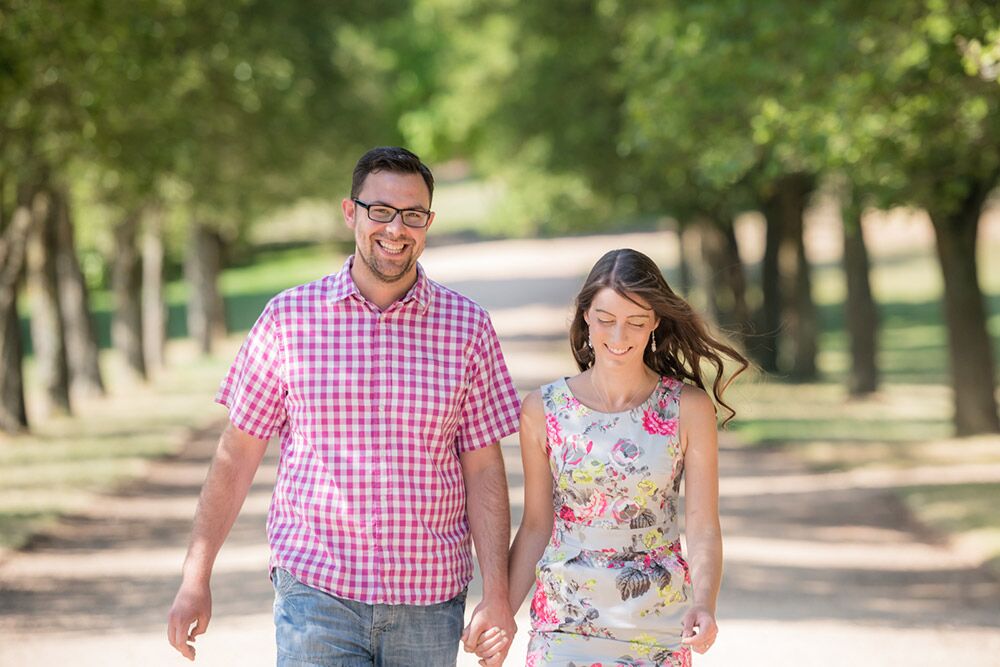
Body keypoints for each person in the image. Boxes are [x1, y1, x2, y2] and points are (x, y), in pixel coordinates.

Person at [167, 146, 521, 666]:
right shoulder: (288, 320)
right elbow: (236, 454)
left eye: (413, 215)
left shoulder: (468, 328)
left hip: (429, 600)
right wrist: (195, 577)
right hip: (317, 593)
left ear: (428, 222)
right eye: (381, 210)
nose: (396, 229)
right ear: (350, 212)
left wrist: (497, 595)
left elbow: (484, 468)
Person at [476, 248, 748, 666]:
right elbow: (535, 526)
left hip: (658, 623)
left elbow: (703, 525)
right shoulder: (544, 409)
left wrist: (704, 604)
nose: (619, 337)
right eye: (606, 319)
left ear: (655, 322)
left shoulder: (688, 408)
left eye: (636, 322)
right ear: (585, 314)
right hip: (564, 622)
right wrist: (503, 617)